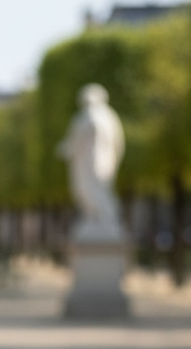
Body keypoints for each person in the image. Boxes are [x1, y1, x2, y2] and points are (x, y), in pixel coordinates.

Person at [57, 84, 125, 239]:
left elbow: (117, 142)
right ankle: (94, 218)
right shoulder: (85, 116)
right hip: (85, 161)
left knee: (95, 188)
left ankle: (105, 219)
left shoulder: (102, 116)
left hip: (98, 160)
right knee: (84, 189)